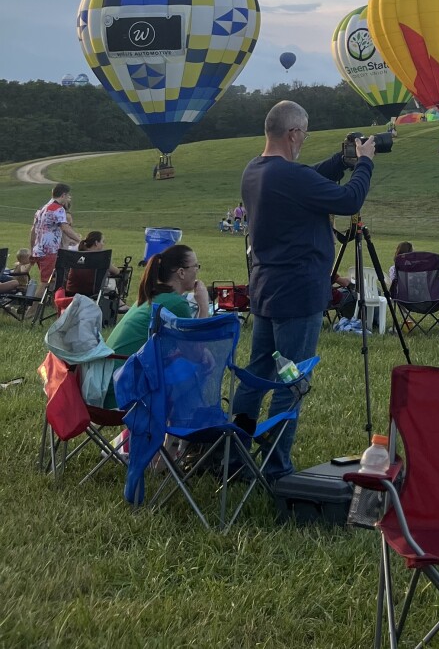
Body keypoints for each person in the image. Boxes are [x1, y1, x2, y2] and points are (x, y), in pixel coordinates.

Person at [230, 101, 375, 478]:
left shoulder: (255, 170)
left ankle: (233, 456)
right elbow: (349, 200)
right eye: (304, 134)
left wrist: (339, 161)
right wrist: (364, 163)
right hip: (299, 290)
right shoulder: (289, 177)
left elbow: (303, 177)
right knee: (291, 381)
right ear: (293, 133)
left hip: (266, 288)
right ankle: (277, 466)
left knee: (256, 373)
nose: (303, 141)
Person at [107, 243, 209, 359]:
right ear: (181, 272)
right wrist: (204, 306)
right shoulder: (176, 303)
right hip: (123, 373)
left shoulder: (156, 296)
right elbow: (195, 354)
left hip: (111, 368)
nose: (197, 270)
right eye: (195, 266)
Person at [30, 183, 77, 288]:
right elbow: (65, 228)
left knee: (51, 280)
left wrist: (32, 248)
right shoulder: (58, 209)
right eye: (68, 196)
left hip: (38, 250)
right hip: (49, 251)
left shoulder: (42, 209)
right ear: (63, 195)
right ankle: (33, 305)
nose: (68, 198)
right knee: (45, 283)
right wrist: (79, 239)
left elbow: (33, 231)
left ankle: (54, 302)